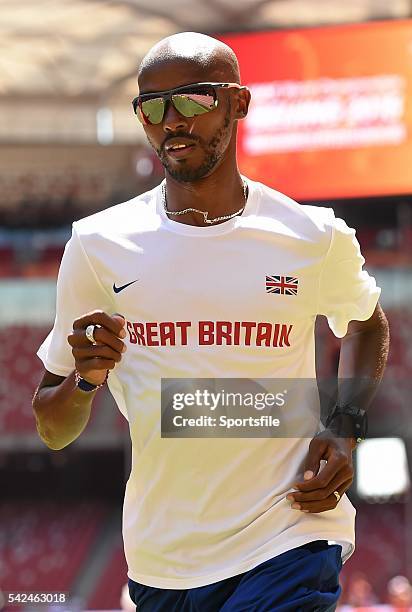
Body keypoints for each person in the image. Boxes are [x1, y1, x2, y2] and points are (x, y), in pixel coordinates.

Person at [33, 32, 389, 612]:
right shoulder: (98, 246)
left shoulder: (313, 236)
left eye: (194, 100)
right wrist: (86, 380)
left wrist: (344, 424)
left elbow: (367, 324)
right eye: (152, 106)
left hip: (290, 532)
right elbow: (53, 428)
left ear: (239, 103)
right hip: (163, 557)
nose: (171, 120)